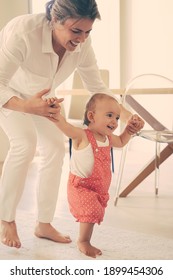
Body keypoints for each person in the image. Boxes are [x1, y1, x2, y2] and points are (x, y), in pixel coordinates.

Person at [0, 0, 144, 249]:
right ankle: (6, 218)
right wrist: (25, 106)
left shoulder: (83, 46)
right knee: (25, 144)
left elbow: (97, 87)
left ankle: (43, 223)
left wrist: (127, 115)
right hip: (9, 94)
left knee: (55, 147)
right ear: (54, 21)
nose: (82, 39)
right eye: (76, 31)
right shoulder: (23, 33)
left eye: (88, 32)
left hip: (45, 98)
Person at [46, 93, 143, 258]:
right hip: (80, 187)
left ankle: (85, 239)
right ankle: (83, 241)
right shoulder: (81, 135)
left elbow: (120, 142)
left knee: (94, 212)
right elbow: (64, 125)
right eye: (109, 115)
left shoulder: (108, 138)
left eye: (117, 118)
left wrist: (129, 130)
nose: (114, 121)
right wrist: (55, 112)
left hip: (98, 186)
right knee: (90, 211)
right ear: (91, 116)